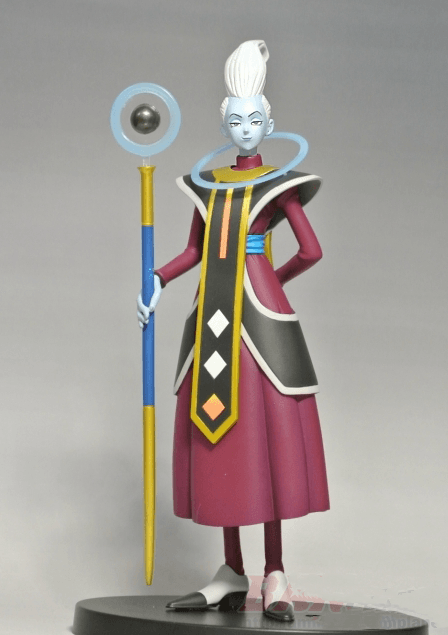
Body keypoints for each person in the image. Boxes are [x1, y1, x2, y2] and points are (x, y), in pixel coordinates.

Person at [137, 40, 329, 623]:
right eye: (236, 121)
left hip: (258, 327)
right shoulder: (208, 185)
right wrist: (156, 280)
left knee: (264, 439)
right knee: (221, 433)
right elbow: (194, 251)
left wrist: (269, 282)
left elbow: (311, 250)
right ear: (226, 125)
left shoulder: (278, 184)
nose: (245, 130)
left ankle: (274, 570)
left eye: (254, 120)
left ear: (268, 123)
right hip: (213, 321)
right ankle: (230, 570)